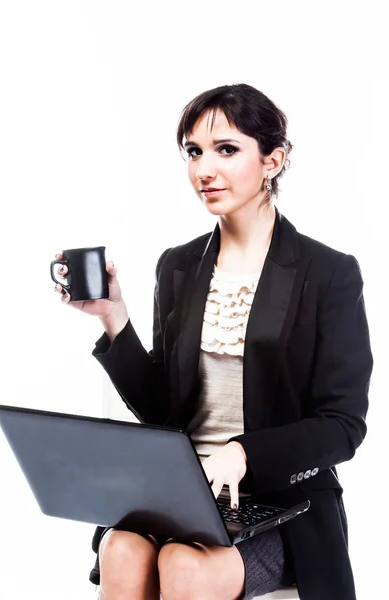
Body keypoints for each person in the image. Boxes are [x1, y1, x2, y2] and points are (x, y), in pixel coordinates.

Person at [54, 83, 373, 600]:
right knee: (121, 549)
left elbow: (343, 425)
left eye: (227, 150)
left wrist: (242, 454)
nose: (205, 169)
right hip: (181, 494)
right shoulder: (178, 265)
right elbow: (163, 407)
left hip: (278, 502)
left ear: (273, 159)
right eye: (193, 151)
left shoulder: (328, 272)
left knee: (184, 564)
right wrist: (114, 317)